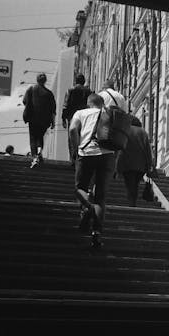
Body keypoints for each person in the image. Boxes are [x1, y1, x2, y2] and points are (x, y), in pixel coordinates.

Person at [69, 93, 116, 249]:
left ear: (89, 103)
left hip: (86, 153)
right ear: (102, 103)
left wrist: (75, 149)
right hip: (108, 155)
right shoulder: (110, 114)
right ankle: (96, 233)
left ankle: (88, 207)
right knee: (101, 197)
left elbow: (72, 130)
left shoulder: (81, 113)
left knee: (79, 188)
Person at [116, 116, 155, 207]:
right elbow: (148, 150)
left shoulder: (125, 130)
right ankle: (133, 201)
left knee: (129, 183)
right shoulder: (143, 132)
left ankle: (131, 202)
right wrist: (150, 165)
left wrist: (117, 166)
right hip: (140, 165)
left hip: (127, 163)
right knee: (136, 183)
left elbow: (120, 148)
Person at [22, 73, 56, 168]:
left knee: (33, 137)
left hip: (33, 118)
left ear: (37, 80)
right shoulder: (49, 94)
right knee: (40, 137)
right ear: (45, 81)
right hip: (44, 120)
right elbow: (53, 109)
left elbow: (25, 101)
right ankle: (39, 152)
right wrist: (53, 122)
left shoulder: (31, 89)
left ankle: (34, 157)